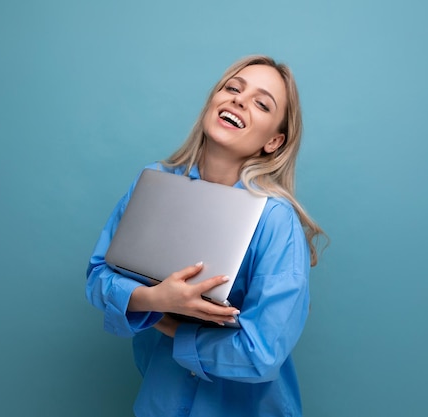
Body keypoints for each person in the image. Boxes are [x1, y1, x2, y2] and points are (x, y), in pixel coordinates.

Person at [86, 55, 326, 417]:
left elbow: (262, 353)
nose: (239, 100)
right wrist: (154, 298)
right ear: (213, 101)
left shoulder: (276, 221)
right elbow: (99, 278)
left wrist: (170, 326)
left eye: (262, 104)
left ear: (274, 142)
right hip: (159, 404)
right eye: (232, 88)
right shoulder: (153, 183)